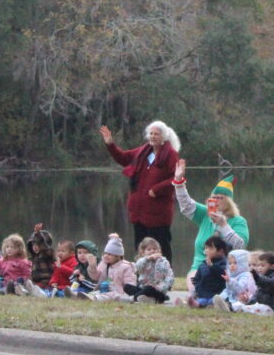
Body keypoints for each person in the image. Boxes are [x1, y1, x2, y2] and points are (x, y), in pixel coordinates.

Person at [100, 122, 180, 261]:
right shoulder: (143, 151)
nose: (153, 136)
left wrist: (157, 189)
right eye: (151, 133)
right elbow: (123, 158)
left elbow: (177, 178)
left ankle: (165, 277)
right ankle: (141, 276)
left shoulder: (170, 155)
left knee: (161, 247)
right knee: (141, 247)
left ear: (164, 137)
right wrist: (110, 144)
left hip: (158, 213)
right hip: (139, 212)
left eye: (156, 134)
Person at [172, 159, 249, 283]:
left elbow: (239, 245)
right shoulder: (204, 215)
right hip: (199, 267)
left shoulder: (238, 221)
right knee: (195, 288)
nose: (216, 201)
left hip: (224, 269)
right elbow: (186, 205)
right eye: (213, 198)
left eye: (220, 198)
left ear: (228, 202)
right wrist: (179, 181)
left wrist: (223, 225)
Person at [124, 236, 174, 304]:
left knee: (149, 289)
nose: (152, 251)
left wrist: (165, 286)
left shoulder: (164, 262)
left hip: (157, 289)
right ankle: (150, 299)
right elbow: (138, 267)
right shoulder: (142, 261)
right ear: (143, 253)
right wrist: (147, 259)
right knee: (127, 287)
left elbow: (170, 275)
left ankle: (134, 298)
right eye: (149, 249)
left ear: (159, 250)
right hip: (143, 287)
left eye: (155, 249)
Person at [184, 235, 229, 308]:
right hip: (203, 294)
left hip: (216, 294)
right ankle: (190, 303)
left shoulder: (224, 263)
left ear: (221, 251)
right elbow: (197, 279)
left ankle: (212, 305)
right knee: (201, 301)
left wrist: (212, 266)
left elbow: (223, 275)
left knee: (215, 300)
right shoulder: (203, 264)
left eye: (211, 248)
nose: (207, 250)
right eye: (206, 248)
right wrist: (198, 288)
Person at [89, 233, 136, 301]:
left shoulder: (126, 267)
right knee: (94, 293)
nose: (106, 256)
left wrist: (127, 293)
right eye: (105, 253)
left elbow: (130, 284)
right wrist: (92, 267)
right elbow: (95, 277)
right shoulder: (104, 264)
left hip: (120, 293)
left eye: (109, 254)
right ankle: (82, 295)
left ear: (118, 256)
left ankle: (95, 298)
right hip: (105, 290)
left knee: (110, 296)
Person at [26, 224, 55, 291]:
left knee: (35, 288)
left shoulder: (48, 254)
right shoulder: (34, 258)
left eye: (37, 244)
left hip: (46, 282)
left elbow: (45, 247)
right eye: (33, 244)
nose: (35, 247)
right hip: (36, 282)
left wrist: (38, 234)